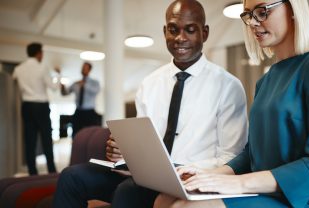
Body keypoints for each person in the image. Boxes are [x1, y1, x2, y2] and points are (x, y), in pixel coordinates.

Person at [154, 0, 309, 207]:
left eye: (262, 11)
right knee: (164, 199)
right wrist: (207, 175)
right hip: (265, 192)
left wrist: (239, 183)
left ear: (293, 10)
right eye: (249, 15)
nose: (253, 23)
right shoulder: (266, 80)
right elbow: (252, 155)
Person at [53, 0, 248, 207]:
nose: (180, 38)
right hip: (144, 174)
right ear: (165, 32)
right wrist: (124, 152)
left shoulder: (228, 86)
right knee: (71, 177)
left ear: (205, 33)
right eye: (173, 30)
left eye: (190, 30)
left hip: (191, 176)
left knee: (128, 191)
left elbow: (231, 156)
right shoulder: (149, 83)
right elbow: (143, 143)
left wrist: (178, 169)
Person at [13, 42, 59, 175]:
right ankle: (51, 171)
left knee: (29, 141)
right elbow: (54, 88)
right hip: (41, 106)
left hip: (27, 106)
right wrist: (58, 76)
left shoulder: (18, 69)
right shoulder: (42, 67)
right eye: (42, 52)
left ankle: (32, 172)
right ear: (39, 53)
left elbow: (13, 80)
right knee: (46, 140)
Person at [61, 62, 100, 137]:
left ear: (89, 70)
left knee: (91, 134)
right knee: (75, 134)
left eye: (85, 68)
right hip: (78, 111)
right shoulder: (76, 83)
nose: (83, 69)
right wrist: (62, 87)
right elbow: (65, 93)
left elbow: (96, 91)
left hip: (90, 112)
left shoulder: (94, 82)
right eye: (82, 67)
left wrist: (84, 84)